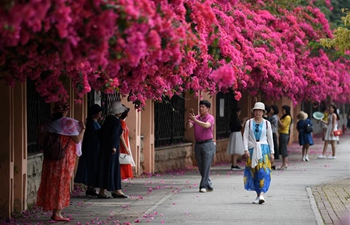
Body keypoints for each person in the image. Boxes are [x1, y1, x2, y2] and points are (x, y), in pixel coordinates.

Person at [37, 102, 85, 222]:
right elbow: (77, 139)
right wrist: (83, 130)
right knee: (62, 184)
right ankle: (57, 212)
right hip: (64, 159)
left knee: (51, 182)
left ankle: (53, 209)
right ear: (65, 111)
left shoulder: (49, 124)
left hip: (50, 159)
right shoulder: (69, 123)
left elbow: (41, 140)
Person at [95, 101, 129, 198]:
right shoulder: (116, 121)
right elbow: (114, 135)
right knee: (112, 169)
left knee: (104, 168)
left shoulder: (108, 119)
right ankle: (116, 190)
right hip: (112, 149)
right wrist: (113, 146)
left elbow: (101, 133)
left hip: (105, 148)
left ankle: (103, 191)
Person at [243, 102, 274, 204]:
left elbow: (270, 138)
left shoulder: (266, 123)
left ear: (263, 112)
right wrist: (246, 149)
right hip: (252, 150)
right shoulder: (249, 123)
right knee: (254, 173)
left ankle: (262, 194)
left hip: (263, 150)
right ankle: (258, 194)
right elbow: (245, 137)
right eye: (256, 110)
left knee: (263, 171)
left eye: (260, 111)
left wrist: (272, 152)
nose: (258, 112)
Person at [74, 104, 104, 196]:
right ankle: (91, 187)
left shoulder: (94, 122)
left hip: (93, 148)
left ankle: (91, 187)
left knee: (93, 167)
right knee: (92, 167)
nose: (100, 114)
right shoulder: (91, 123)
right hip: (91, 149)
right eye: (98, 112)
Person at [187, 100, 215, 193]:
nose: (201, 108)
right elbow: (189, 127)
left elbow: (206, 126)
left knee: (206, 165)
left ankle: (203, 186)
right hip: (198, 144)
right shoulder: (196, 118)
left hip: (208, 144)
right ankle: (209, 183)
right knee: (200, 165)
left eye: (203, 107)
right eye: (200, 106)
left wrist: (195, 120)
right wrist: (190, 120)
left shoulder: (210, 118)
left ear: (207, 108)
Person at [119, 106, 135, 180]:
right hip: (123, 145)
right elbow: (121, 135)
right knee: (123, 159)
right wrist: (126, 148)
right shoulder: (122, 123)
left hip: (122, 144)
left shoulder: (120, 122)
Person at [278, 105, 292, 170]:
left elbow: (283, 126)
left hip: (284, 134)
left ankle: (285, 163)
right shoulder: (283, 117)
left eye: (283, 110)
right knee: (282, 148)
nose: (282, 112)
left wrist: (278, 120)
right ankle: (283, 163)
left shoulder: (288, 117)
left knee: (284, 148)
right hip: (281, 133)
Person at [268, 105, 279, 170]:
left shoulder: (274, 117)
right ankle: (272, 163)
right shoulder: (273, 117)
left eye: (271, 109)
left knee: (272, 148)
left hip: (272, 133)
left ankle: (272, 164)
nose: (270, 110)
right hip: (273, 133)